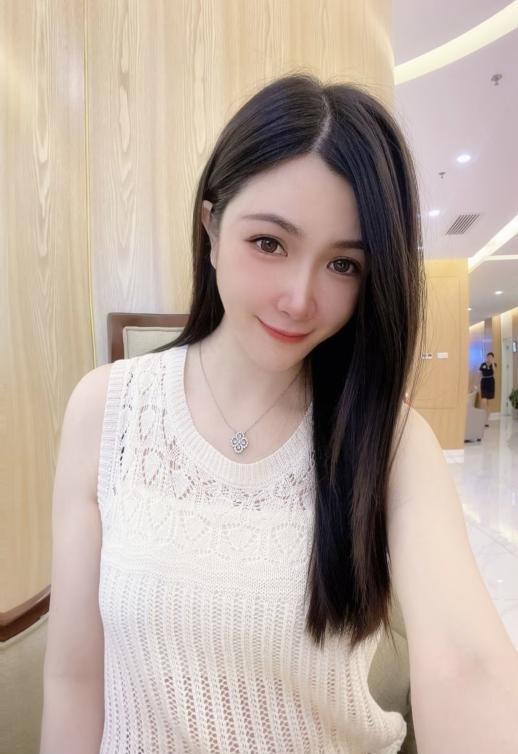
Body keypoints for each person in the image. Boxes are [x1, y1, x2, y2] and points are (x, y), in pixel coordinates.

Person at [40, 75, 518, 754]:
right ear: (212, 228)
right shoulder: (107, 410)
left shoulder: (389, 440)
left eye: (344, 265)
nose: (299, 298)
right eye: (269, 243)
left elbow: (467, 667)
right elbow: (74, 676)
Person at [479, 351, 497, 427]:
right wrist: (478, 383)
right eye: (488, 357)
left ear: (493, 358)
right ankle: (483, 418)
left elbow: (494, 372)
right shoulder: (483, 364)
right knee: (484, 401)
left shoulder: (494, 364)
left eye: (491, 357)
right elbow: (480, 374)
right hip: (484, 382)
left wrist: (492, 363)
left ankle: (487, 420)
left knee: (489, 403)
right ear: (486, 357)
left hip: (491, 383)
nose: (489, 358)